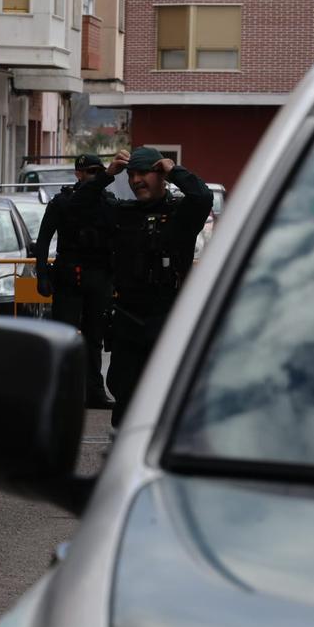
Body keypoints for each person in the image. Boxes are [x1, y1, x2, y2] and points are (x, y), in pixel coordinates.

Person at [74, 147, 213, 428]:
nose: (137, 180)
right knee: (124, 391)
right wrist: (107, 175)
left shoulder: (180, 215)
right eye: (132, 174)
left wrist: (174, 171)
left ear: (160, 175)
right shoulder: (123, 214)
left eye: (144, 173)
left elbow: (202, 196)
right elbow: (78, 208)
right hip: (128, 319)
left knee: (166, 395)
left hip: (167, 318)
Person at [34, 154, 117, 409]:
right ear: (77, 173)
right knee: (64, 336)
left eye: (97, 171)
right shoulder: (63, 202)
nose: (92, 175)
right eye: (88, 171)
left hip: (99, 275)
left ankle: (93, 391)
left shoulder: (108, 202)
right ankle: (61, 391)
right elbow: (44, 239)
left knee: (95, 338)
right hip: (69, 274)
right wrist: (42, 274)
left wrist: (114, 279)